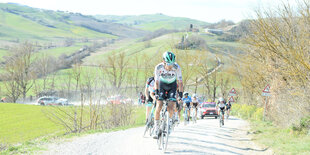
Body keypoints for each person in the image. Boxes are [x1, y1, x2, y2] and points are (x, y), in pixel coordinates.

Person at [153, 51, 183, 139]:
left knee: (171, 106)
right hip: (161, 85)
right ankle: (156, 128)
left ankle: (169, 124)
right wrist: (156, 93)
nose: (170, 66)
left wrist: (180, 95)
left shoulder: (177, 67)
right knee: (159, 105)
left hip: (172, 86)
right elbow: (156, 82)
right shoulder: (158, 67)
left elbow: (180, 83)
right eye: (168, 64)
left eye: (172, 64)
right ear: (163, 61)